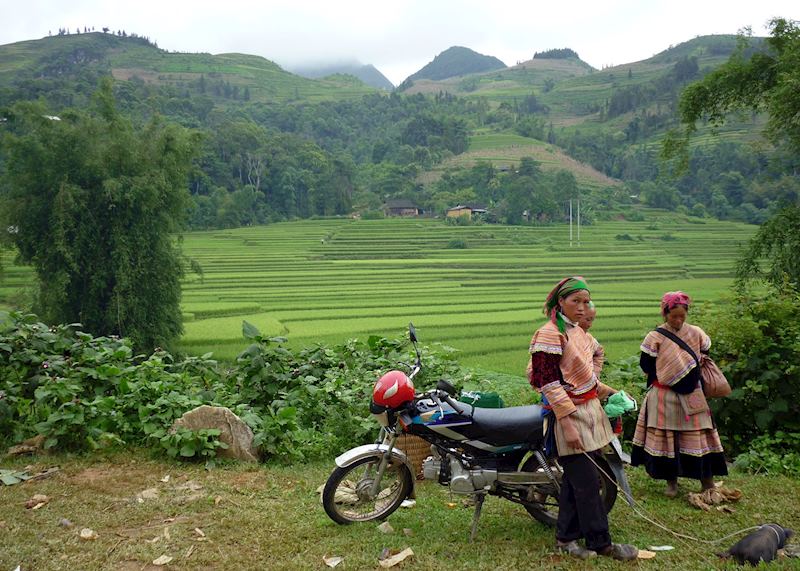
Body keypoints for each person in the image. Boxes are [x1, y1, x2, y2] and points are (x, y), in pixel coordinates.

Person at [527, 277, 637, 561]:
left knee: (578, 481)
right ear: (560, 302)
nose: (582, 307)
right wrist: (566, 422)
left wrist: (598, 386)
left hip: (588, 412)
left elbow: (594, 358)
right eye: (575, 301)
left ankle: (566, 538)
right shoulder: (550, 334)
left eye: (586, 301)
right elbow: (546, 382)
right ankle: (602, 544)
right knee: (588, 482)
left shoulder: (580, 334)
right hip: (568, 416)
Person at [630, 291, 727, 497]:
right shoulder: (654, 337)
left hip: (693, 394)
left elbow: (705, 354)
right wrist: (671, 372)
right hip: (664, 395)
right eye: (674, 316)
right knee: (667, 439)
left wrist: (683, 371)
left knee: (700, 436)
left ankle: (707, 482)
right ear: (664, 314)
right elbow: (646, 364)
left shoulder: (696, 333)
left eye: (682, 316)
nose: (678, 320)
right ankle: (671, 483)